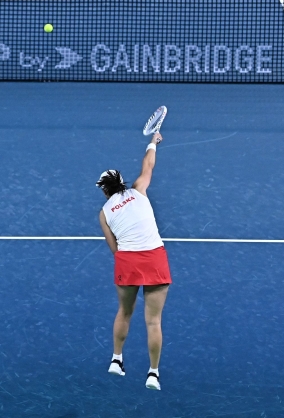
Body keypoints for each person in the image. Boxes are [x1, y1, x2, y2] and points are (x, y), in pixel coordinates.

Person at [96, 131, 170, 390]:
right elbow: (148, 164)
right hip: (154, 258)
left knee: (124, 312)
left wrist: (129, 264)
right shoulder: (139, 189)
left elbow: (114, 249)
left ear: (105, 191)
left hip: (127, 261)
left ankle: (116, 359)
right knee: (153, 321)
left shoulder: (104, 214)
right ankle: (153, 374)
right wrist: (153, 142)